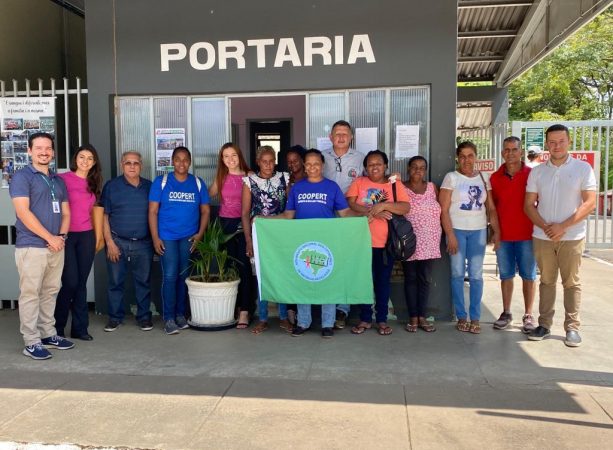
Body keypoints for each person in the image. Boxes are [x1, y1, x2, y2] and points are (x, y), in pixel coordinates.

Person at [524, 124, 597, 347]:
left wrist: (562, 226)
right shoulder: (538, 171)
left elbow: (590, 202)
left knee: (571, 283)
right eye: (552, 142)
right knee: (546, 281)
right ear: (547, 143)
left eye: (561, 141)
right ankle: (544, 324)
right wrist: (547, 227)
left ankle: (572, 328)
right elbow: (528, 205)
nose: (557, 146)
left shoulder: (583, 169)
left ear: (569, 142)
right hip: (543, 236)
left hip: (572, 236)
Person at [270, 148, 353, 338]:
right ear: (305, 167)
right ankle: (304, 322)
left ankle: (327, 324)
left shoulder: (332, 187)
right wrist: (264, 219)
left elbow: (345, 213)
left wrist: (367, 215)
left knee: (327, 280)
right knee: (304, 280)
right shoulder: (297, 188)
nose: (313, 167)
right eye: (309, 164)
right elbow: (288, 215)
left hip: (327, 243)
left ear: (322, 166)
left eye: (316, 163)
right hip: (303, 243)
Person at [10, 132, 74, 359]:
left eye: (48, 148)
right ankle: (31, 341)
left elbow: (66, 212)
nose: (44, 152)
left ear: (53, 152)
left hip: (56, 245)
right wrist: (50, 237)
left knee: (50, 291)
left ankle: (48, 333)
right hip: (32, 246)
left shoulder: (58, 180)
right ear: (29, 151)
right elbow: (23, 212)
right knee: (30, 294)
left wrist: (61, 237)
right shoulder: (22, 177)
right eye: (38, 148)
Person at [347, 150, 410, 336]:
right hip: (361, 242)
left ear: (385, 166)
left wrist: (383, 205)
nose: (374, 167)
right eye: (370, 164)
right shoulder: (359, 182)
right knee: (364, 282)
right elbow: (351, 203)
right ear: (366, 167)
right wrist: (372, 211)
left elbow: (405, 207)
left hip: (385, 245)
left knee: (382, 282)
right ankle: (365, 319)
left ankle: (381, 319)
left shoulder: (394, 184)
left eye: (379, 163)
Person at [149, 147, 210, 335]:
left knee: (184, 277)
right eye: (177, 159)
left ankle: (180, 315)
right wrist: (155, 238)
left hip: (188, 238)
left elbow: (206, 211)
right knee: (169, 276)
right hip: (167, 237)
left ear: (190, 162)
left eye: (185, 159)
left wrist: (200, 234)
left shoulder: (198, 183)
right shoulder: (162, 182)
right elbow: (152, 211)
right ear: (172, 161)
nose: (181, 163)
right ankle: (168, 318)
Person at [440, 141, 500, 335]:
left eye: (470, 155)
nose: (466, 160)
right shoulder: (452, 178)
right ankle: (461, 316)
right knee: (457, 274)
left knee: (476, 275)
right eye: (463, 156)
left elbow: (490, 208)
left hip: (478, 231)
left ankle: (475, 317)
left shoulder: (484, 178)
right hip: (457, 229)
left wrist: (497, 232)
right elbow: (444, 209)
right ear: (458, 158)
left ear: (476, 157)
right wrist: (450, 234)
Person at [54, 144, 103, 341]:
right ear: (76, 159)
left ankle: (80, 329)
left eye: (90, 158)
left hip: (86, 236)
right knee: (70, 282)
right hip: (67, 235)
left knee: (81, 283)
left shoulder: (95, 182)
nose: (85, 161)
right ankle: (57, 327)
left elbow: (96, 212)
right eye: (82, 157)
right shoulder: (62, 179)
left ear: (94, 162)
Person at [101, 151, 153, 333]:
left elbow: (155, 215)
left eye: (136, 163)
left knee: (144, 282)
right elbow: (104, 216)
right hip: (118, 242)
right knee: (115, 282)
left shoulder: (149, 186)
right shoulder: (111, 187)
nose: (132, 166)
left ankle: (144, 317)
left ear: (141, 165)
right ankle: (115, 317)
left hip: (144, 243)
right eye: (128, 163)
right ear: (122, 164)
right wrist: (110, 242)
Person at [490, 137, 537, 333]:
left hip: (527, 235)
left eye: (514, 149)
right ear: (502, 153)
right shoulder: (495, 177)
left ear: (521, 151)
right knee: (506, 276)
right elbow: (492, 209)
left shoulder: (533, 175)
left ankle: (528, 314)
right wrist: (496, 233)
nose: (510, 153)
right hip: (504, 237)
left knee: (529, 276)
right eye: (507, 150)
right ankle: (506, 312)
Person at [242, 146, 290, 334]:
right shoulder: (249, 182)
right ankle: (262, 318)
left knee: (282, 275)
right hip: (259, 235)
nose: (268, 165)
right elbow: (245, 213)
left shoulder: (284, 178)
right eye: (264, 161)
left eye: (271, 161)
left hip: (281, 234)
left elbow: (289, 207)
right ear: (258, 162)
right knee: (262, 276)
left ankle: (284, 317)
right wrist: (248, 240)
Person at [322, 120, 365, 329]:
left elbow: (370, 183)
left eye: (345, 134)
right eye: (337, 134)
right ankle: (326, 304)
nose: (340, 137)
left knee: (347, 261)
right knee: (328, 259)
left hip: (349, 215)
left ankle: (342, 309)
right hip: (325, 215)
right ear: (331, 137)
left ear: (351, 137)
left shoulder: (360, 158)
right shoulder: (322, 157)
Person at [209, 142, 253, 329]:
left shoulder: (249, 176)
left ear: (239, 155)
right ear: (222, 159)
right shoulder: (221, 177)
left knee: (244, 268)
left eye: (233, 155)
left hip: (243, 226)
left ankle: (245, 310)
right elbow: (206, 196)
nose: (230, 159)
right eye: (226, 156)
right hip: (224, 226)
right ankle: (232, 307)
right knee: (228, 267)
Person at [401, 155, 442, 333]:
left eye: (422, 167)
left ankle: (422, 316)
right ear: (408, 169)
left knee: (424, 279)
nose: (418, 170)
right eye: (414, 167)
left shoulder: (433, 187)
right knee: (410, 279)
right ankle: (412, 317)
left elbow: (444, 210)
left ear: (426, 170)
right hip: (408, 241)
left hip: (430, 240)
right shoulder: (400, 187)